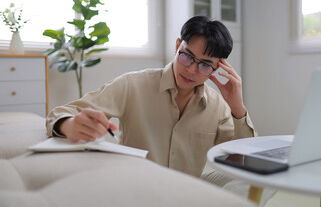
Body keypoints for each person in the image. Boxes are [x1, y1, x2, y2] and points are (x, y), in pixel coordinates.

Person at [46, 15, 257, 180]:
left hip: (187, 190)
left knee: (247, 181)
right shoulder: (133, 85)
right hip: (138, 186)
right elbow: (61, 113)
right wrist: (69, 124)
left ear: (217, 67)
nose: (191, 70)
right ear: (177, 47)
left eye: (204, 64)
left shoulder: (218, 105)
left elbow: (241, 159)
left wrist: (237, 107)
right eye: (187, 56)